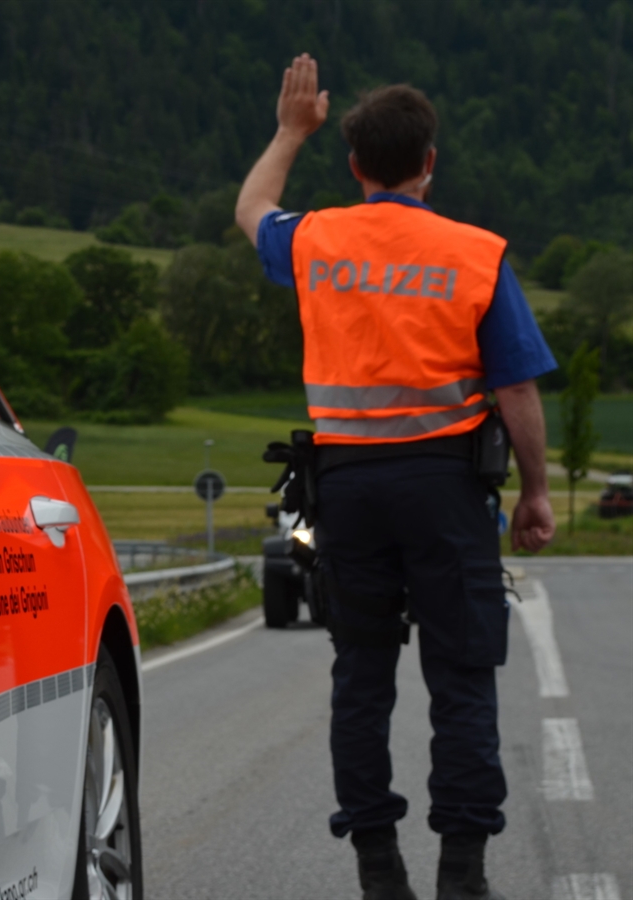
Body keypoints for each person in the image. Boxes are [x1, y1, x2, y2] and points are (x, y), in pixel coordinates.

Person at [235, 55, 557, 900]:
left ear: (353, 167)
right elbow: (516, 387)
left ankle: (379, 869)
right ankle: (463, 876)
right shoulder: (475, 253)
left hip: (346, 488)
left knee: (362, 677)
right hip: (447, 490)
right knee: (461, 678)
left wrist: (287, 130)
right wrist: (535, 492)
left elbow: (250, 209)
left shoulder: (316, 239)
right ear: (430, 161)